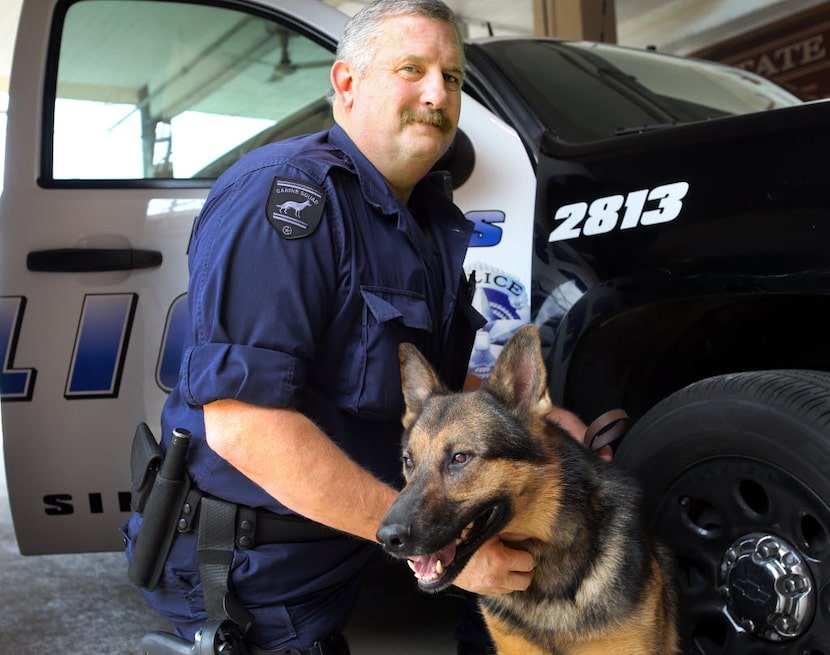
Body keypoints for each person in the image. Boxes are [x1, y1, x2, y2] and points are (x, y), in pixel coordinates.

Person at [124, 1, 589, 653]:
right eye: (412, 68)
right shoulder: (287, 198)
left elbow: (432, 382)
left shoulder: (423, 216)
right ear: (346, 84)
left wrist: (532, 420)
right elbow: (245, 426)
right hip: (260, 567)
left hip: (354, 530)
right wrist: (442, 550)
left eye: (453, 78)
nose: (438, 92)